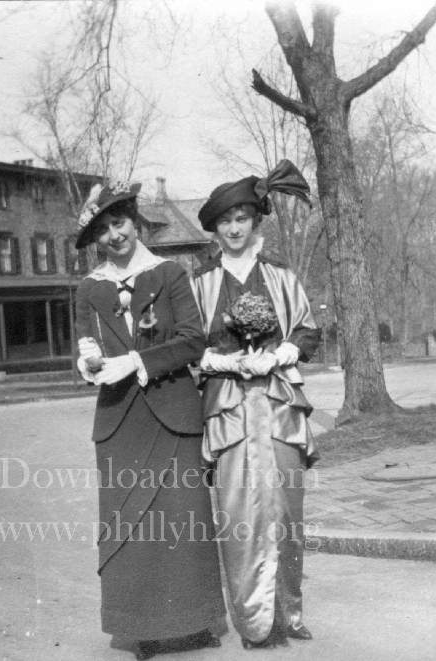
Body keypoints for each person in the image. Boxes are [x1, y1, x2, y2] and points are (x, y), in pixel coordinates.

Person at [73, 181, 225, 660]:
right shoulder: (89, 288)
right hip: (120, 419)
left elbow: (192, 341)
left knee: (184, 518)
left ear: (135, 222)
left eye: (119, 223)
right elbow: (87, 343)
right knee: (132, 528)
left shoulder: (169, 274)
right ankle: (140, 627)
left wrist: (138, 362)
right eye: (103, 229)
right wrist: (88, 361)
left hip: (172, 411)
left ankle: (194, 621)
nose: (114, 235)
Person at [191, 160, 321, 649]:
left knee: (287, 510)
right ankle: (252, 621)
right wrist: (228, 364)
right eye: (225, 221)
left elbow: (308, 329)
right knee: (237, 515)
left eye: (241, 218)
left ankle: (289, 611)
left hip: (279, 405)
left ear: (255, 221)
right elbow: (188, 346)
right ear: (215, 228)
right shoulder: (201, 283)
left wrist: (283, 352)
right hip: (228, 410)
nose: (234, 229)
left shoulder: (280, 274)